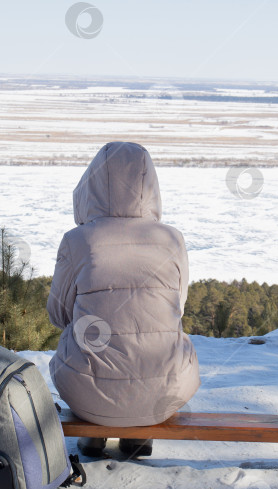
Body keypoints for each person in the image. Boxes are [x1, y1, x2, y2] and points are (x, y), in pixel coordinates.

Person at [48, 142, 200, 457]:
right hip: (165, 392)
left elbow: (59, 313)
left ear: (90, 186)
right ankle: (139, 436)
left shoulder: (78, 241)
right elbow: (178, 308)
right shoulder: (172, 239)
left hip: (87, 392)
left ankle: (93, 431)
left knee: (74, 338)